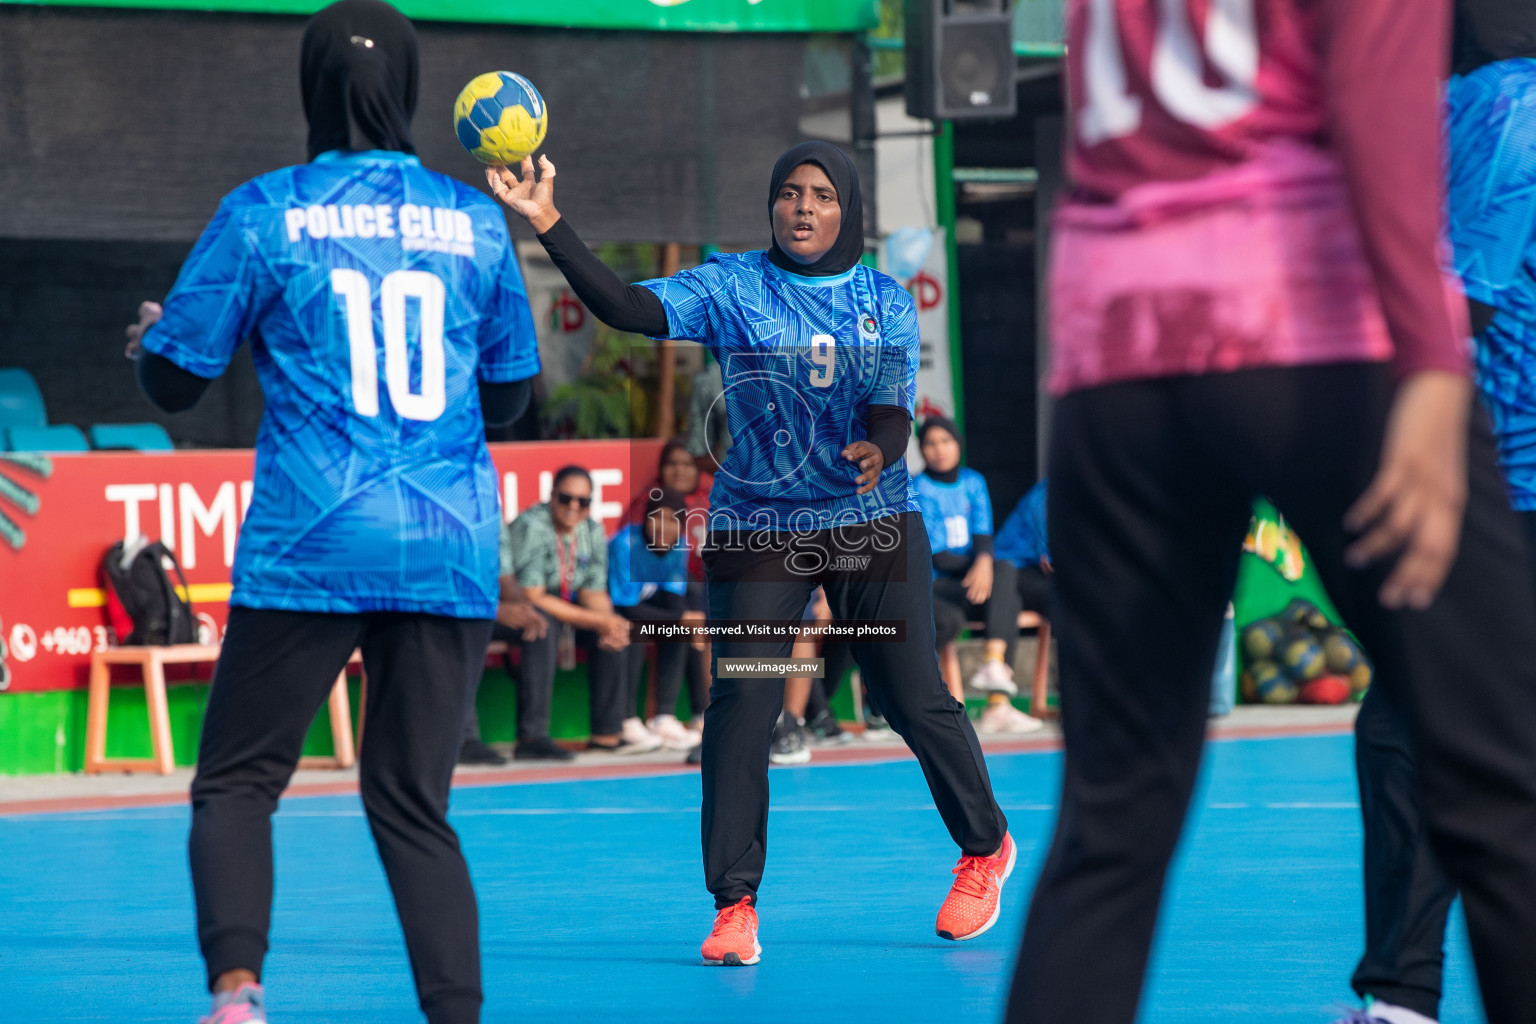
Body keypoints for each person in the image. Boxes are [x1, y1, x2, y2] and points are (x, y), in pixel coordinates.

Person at [1007, 1, 1536, 1022]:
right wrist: (1429, 366)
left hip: (1112, 347)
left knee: (1111, 823)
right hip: (1313, 328)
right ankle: (1404, 989)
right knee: (1502, 779)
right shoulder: (1502, 107)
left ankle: (1400, 990)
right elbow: (1377, 101)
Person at [487, 139, 1016, 965]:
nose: (803, 207)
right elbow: (626, 306)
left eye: (821, 196)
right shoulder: (731, 287)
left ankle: (985, 849)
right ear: (772, 205)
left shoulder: (883, 299)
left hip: (867, 516)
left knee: (910, 694)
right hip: (757, 524)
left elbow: (892, 407)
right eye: (789, 194)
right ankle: (734, 904)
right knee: (743, 706)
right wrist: (547, 221)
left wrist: (880, 447)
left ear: (848, 211)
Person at [120, 3, 540, 1021]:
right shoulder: (476, 221)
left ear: (311, 86)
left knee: (237, 782)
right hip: (446, 544)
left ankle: (237, 996)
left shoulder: (262, 212)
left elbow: (178, 381)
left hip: (314, 537)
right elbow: (510, 398)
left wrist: (151, 340)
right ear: (409, 87)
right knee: (412, 804)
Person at [1333, 5, 1536, 1022]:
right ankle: (1403, 989)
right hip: (1495, 466)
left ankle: (1403, 995)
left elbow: (1465, 301)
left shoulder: (1507, 104)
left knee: (1411, 730)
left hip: (1503, 472)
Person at [505, 466, 658, 753]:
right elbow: (533, 596)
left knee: (619, 626)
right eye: (566, 498)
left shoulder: (592, 529)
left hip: (566, 603)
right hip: (520, 606)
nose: (574, 506)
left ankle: (608, 733)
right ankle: (532, 737)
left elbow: (593, 592)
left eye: (583, 501)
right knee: (543, 624)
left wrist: (609, 622)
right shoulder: (532, 525)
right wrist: (597, 620)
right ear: (552, 496)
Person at [913, 416, 1044, 735]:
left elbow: (984, 536)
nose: (939, 450)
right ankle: (997, 703)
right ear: (921, 450)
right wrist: (980, 566)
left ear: (958, 444)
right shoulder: (918, 487)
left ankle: (994, 666)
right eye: (930, 443)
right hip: (937, 583)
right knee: (1004, 591)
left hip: (971, 582)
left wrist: (985, 560)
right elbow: (936, 553)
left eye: (946, 441)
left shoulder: (973, 482)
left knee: (1004, 574)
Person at [608, 488, 706, 750]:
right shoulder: (624, 544)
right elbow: (627, 607)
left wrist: (688, 620)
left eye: (672, 520)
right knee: (637, 628)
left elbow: (674, 597)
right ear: (646, 519)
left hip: (648, 603)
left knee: (687, 615)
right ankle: (627, 719)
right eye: (657, 518)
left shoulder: (679, 547)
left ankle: (666, 717)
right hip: (613, 608)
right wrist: (683, 617)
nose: (663, 527)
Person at [459, 568, 553, 765]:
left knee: (541, 624)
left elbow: (506, 579)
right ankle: (463, 739)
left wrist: (524, 610)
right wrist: (494, 610)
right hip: (456, 609)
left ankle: (532, 737)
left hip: (487, 608)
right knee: (462, 624)